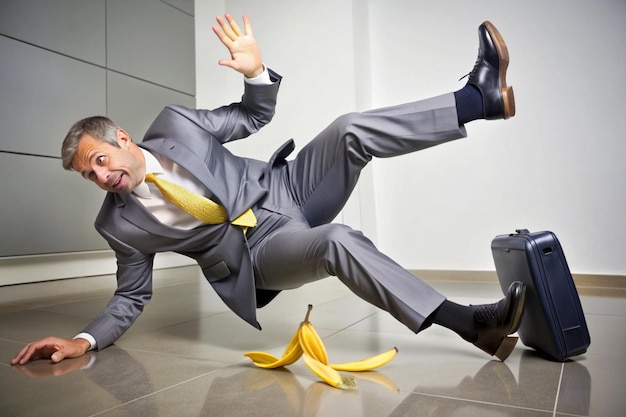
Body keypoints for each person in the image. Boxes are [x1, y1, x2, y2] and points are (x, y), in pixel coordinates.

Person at [12, 15, 526, 366]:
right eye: (88, 175)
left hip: (287, 189)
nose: (101, 178)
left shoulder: (176, 125)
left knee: (349, 128)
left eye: (99, 161)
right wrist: (83, 340)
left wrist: (255, 71)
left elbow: (252, 115)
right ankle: (470, 325)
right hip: (257, 252)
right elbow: (130, 295)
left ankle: (477, 99)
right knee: (337, 240)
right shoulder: (116, 224)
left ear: (121, 138)